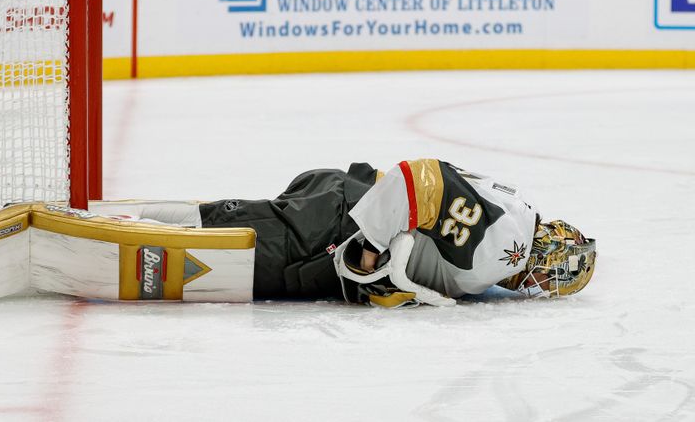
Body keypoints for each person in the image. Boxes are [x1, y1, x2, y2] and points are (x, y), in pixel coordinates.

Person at [99, 159, 597, 307]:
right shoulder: (504, 251)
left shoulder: (517, 211)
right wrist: (369, 248)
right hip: (327, 231)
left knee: (224, 219)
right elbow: (422, 179)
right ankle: (91, 225)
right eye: (553, 279)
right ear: (546, 257)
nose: (542, 288)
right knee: (230, 245)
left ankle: (95, 218)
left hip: (340, 201)